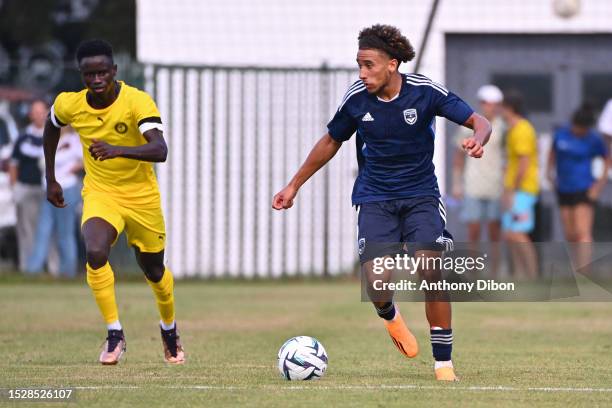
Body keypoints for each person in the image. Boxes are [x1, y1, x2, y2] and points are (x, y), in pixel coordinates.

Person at [272, 25, 491, 381]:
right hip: (375, 197)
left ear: (392, 64)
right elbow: (331, 141)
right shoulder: (356, 98)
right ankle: (390, 316)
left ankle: (443, 364)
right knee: (376, 283)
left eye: (369, 65)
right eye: (359, 65)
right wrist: (293, 185)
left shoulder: (424, 91)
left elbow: (477, 120)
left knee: (430, 269)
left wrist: (479, 139)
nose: (362, 73)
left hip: (421, 195)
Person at [43, 39, 184, 365]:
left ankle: (169, 328)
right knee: (94, 252)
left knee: (153, 270)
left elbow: (159, 150)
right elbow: (51, 129)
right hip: (101, 194)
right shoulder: (70, 104)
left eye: (102, 72)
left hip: (141, 198)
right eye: (89, 74)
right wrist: (51, 178)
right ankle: (114, 333)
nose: (96, 79)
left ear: (114, 71)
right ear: (81, 74)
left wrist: (117, 149)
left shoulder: (137, 101)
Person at [547, 104, 609, 270]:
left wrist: (598, 186)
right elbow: (552, 154)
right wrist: (549, 173)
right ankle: (576, 267)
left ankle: (585, 270)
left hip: (584, 188)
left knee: (583, 232)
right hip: (564, 188)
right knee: (570, 233)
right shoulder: (561, 135)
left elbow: (607, 160)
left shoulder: (593, 139)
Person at [27, 126, 83, 277]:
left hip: (67, 189)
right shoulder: (50, 138)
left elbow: (85, 159)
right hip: (49, 191)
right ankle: (33, 270)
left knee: (65, 232)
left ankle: (68, 271)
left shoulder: (74, 139)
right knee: (43, 230)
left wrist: (73, 168)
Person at [452, 85, 504, 243]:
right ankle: (473, 267)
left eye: (495, 104)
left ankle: (495, 267)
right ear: (482, 104)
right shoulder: (469, 125)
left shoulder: (503, 126)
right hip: (473, 184)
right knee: (473, 230)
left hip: (496, 185)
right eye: (488, 103)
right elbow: (459, 156)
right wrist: (456, 184)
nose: (492, 108)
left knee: (494, 231)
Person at [500, 91, 539, 278]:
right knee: (509, 233)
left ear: (510, 108)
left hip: (522, 190)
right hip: (513, 189)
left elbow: (524, 163)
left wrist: (512, 189)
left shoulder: (522, 129)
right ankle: (519, 276)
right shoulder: (512, 129)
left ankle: (532, 275)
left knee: (518, 233)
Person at [9, 99, 48, 272]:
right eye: (35, 112)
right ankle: (29, 268)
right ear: (30, 115)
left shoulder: (54, 134)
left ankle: (55, 269)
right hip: (27, 188)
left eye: (42, 111)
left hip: (49, 190)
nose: (39, 115)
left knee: (49, 229)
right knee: (27, 229)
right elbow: (13, 164)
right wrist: (15, 187)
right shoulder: (23, 137)